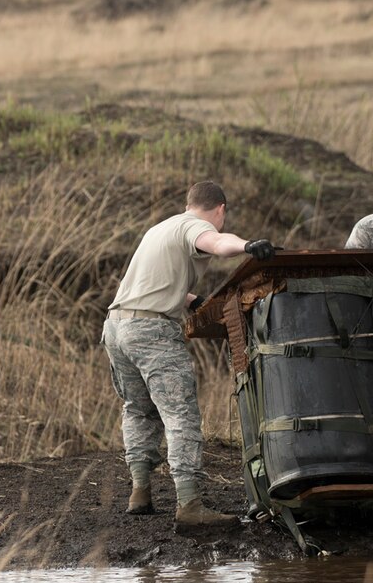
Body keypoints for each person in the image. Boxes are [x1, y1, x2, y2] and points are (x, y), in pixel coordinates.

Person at [102, 181, 276, 528]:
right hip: (151, 331)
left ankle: (140, 491)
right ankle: (190, 504)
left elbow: (149, 282)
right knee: (180, 415)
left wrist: (191, 300)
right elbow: (215, 242)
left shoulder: (160, 229)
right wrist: (248, 246)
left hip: (116, 328)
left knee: (139, 409)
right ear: (220, 210)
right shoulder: (197, 226)